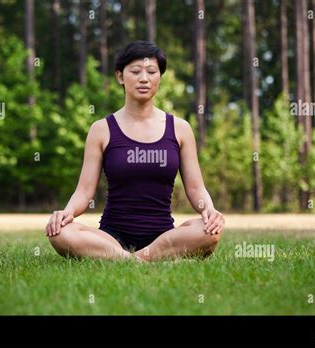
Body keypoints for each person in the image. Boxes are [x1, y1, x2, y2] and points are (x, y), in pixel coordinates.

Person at [45, 41, 224, 262]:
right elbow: (84, 191)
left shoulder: (180, 129)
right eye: (136, 71)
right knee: (60, 232)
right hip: (111, 237)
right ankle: (141, 260)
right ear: (120, 76)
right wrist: (66, 213)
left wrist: (210, 210)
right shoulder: (101, 129)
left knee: (210, 231)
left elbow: (196, 188)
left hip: (163, 236)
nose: (144, 78)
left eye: (151, 72)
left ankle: (125, 260)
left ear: (160, 77)